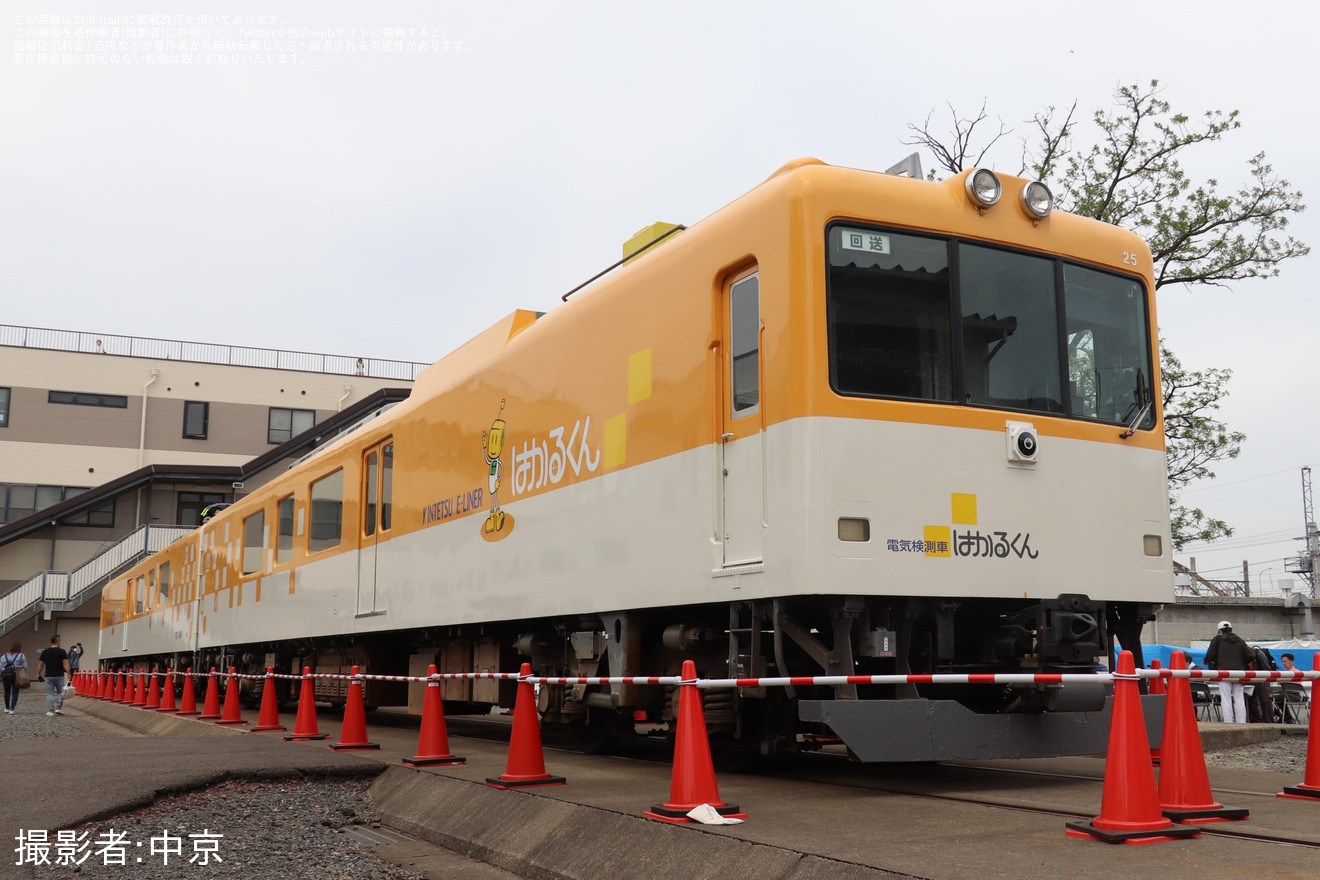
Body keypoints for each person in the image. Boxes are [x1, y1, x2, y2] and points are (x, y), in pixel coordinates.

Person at [1203, 620, 1254, 723]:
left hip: (1223, 673)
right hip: (1239, 673)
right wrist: (1241, 663)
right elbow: (1250, 655)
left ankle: (1228, 722)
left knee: (1226, 699)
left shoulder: (1218, 639)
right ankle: (1241, 722)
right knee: (1239, 699)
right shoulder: (1239, 640)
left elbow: (1210, 654)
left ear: (1220, 630)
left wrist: (1210, 662)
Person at [36, 634, 70, 717]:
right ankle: (58, 708)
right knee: (60, 692)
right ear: (57, 641)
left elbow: (41, 664)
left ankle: (51, 711)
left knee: (50, 693)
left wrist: (38, 673)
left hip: (49, 675)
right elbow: (65, 664)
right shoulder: (62, 651)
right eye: (60, 641)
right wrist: (69, 673)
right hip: (59, 675)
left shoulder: (45, 651)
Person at [1248, 644, 1277, 723]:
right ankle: (1256, 720)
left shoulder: (1259, 654)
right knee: (1251, 701)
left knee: (1265, 701)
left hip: (1262, 680)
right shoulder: (1247, 656)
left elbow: (1267, 668)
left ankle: (1268, 721)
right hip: (1252, 680)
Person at [1, 641, 28, 714]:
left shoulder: (4, 656)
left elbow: (1, 667)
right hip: (16, 676)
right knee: (15, 692)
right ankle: (12, 709)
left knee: (6, 692)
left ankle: (6, 707)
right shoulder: (21, 656)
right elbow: (25, 666)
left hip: (6, 676)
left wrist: (1, 675)